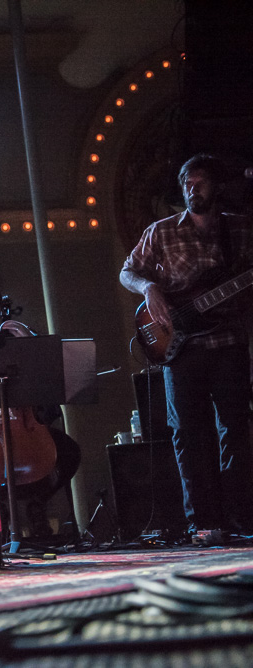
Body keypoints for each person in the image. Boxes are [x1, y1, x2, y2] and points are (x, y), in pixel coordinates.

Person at [120, 154, 253, 540]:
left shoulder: (241, 230)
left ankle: (241, 518)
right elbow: (128, 271)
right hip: (178, 349)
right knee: (188, 434)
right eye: (186, 184)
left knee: (234, 429)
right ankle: (204, 523)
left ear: (217, 187)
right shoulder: (161, 232)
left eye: (200, 183)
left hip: (227, 341)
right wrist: (149, 288)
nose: (193, 190)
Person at [0, 277, 80, 536]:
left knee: (69, 453)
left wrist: (30, 345)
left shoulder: (17, 336)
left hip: (27, 424)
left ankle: (36, 504)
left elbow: (48, 383)